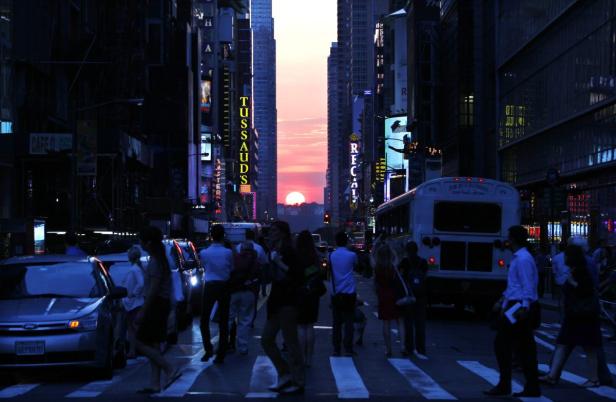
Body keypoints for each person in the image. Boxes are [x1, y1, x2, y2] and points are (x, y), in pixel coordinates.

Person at [484, 225, 541, 398]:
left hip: (519, 307)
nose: (507, 240)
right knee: (521, 347)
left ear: (514, 239)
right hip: (516, 305)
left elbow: (527, 286)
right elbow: (515, 286)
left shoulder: (522, 259)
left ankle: (508, 385)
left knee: (508, 345)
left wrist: (524, 307)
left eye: (509, 237)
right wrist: (502, 301)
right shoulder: (520, 257)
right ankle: (525, 386)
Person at [539, 244, 602, 387]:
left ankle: (594, 378)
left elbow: (585, 290)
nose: (564, 257)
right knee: (563, 344)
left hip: (583, 316)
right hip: (575, 315)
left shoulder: (581, 271)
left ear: (572, 256)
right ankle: (552, 375)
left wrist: (572, 282)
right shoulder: (575, 270)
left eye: (567, 255)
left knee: (588, 347)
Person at [261, 221, 305, 395]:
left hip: (288, 301)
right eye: (270, 230)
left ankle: (298, 380)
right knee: (266, 340)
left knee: (291, 342)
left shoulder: (289, 251)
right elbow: (269, 276)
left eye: (274, 230)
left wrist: (279, 263)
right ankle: (284, 373)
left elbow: (296, 275)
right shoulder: (274, 251)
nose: (270, 233)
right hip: (276, 301)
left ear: (282, 233)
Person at [135, 226, 181, 394]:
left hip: (155, 305)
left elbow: (153, 290)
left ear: (148, 242)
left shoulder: (155, 262)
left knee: (139, 342)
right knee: (154, 343)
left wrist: (143, 311)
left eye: (141, 240)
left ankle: (169, 368)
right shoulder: (160, 259)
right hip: (161, 304)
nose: (139, 243)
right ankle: (155, 383)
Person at [199, 225, 233, 364]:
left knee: (204, 319)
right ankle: (221, 354)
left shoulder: (204, 253)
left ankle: (208, 349)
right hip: (224, 285)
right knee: (224, 321)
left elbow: (205, 267)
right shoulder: (228, 252)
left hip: (210, 285)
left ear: (211, 236)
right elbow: (232, 268)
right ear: (223, 235)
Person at [296, 230, 326, 367]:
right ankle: (309, 358)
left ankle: (301, 356)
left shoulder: (296, 255)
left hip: (299, 293)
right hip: (313, 293)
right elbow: (321, 273)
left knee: (301, 327)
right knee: (310, 326)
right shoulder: (315, 256)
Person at [228, 241, 259, 355]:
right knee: (245, 321)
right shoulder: (255, 261)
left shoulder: (234, 258)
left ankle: (224, 343)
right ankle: (243, 347)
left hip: (234, 291)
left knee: (229, 319)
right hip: (249, 292)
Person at [330, 231, 358, 357]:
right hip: (349, 291)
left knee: (336, 322)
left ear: (335, 241)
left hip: (336, 292)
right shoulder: (352, 255)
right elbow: (356, 266)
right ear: (346, 241)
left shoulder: (331, 255)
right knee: (348, 322)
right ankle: (348, 348)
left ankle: (336, 348)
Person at [398, 241, 428, 358]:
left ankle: (409, 347)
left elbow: (400, 276)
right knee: (420, 323)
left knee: (408, 322)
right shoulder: (423, 262)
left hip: (409, 295)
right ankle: (421, 348)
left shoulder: (405, 262)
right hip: (421, 295)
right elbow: (425, 277)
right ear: (417, 250)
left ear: (407, 250)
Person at [374, 244, 402, 357]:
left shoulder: (377, 267)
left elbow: (372, 255)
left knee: (386, 323)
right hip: (393, 295)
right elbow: (397, 257)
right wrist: (391, 248)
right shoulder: (393, 266)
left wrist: (376, 246)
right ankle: (402, 346)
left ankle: (388, 349)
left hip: (382, 295)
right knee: (397, 319)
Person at [122, 246, 146, 358]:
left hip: (134, 303)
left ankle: (138, 349)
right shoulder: (136, 268)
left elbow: (141, 284)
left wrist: (133, 293)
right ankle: (132, 350)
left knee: (134, 328)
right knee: (132, 329)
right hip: (132, 303)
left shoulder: (134, 269)